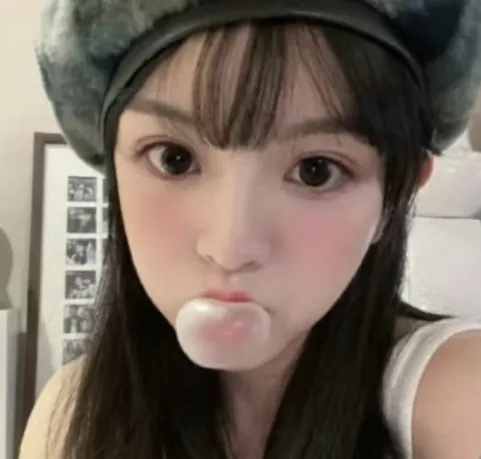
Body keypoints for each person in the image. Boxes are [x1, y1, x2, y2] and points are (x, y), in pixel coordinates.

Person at [20, 1, 481, 459]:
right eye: (174, 159)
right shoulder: (69, 417)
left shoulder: (460, 400)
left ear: (395, 197)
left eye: (316, 171)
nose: (230, 247)